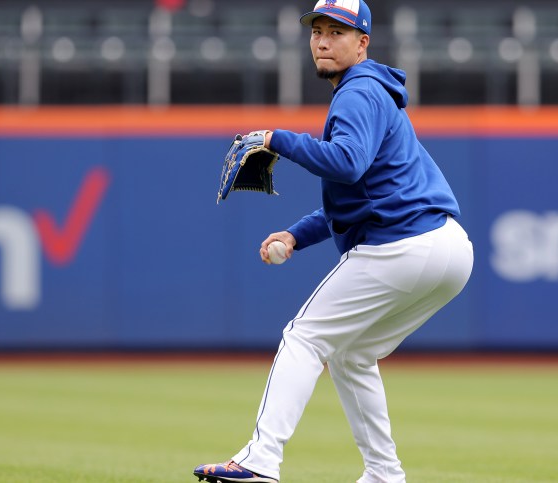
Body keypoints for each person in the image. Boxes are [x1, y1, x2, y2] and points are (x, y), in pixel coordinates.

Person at [193, 1, 474, 482]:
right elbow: (361, 197)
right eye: (317, 31)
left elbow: (346, 163)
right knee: (351, 353)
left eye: (338, 32)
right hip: (448, 249)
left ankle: (260, 460)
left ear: (362, 42)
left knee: (303, 338)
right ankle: (384, 474)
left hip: (402, 247)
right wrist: (297, 235)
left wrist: (278, 138)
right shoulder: (374, 93)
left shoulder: (358, 91)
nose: (323, 40)